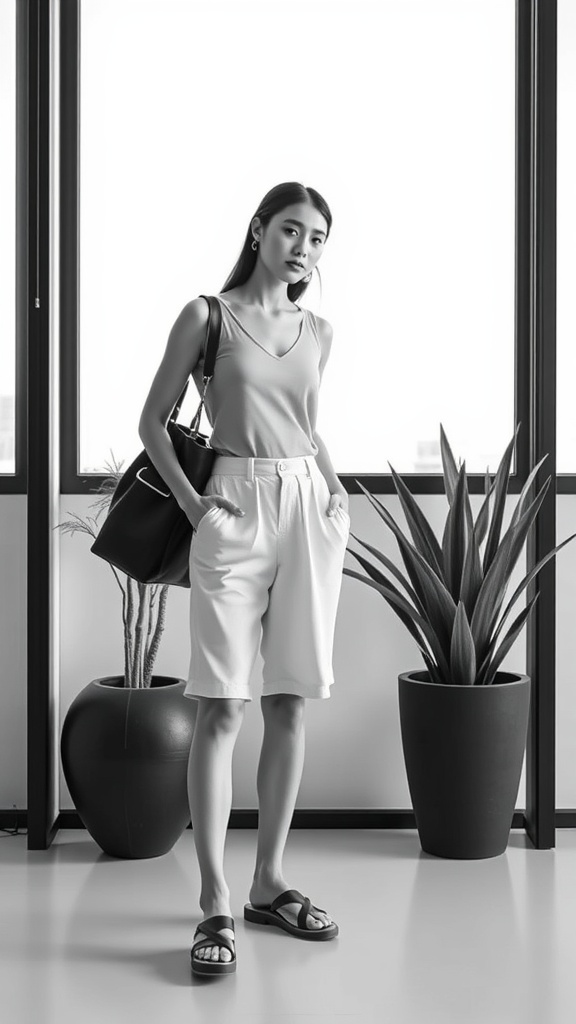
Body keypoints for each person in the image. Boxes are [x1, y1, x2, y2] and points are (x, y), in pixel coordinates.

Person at [138, 181, 349, 976]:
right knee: (222, 704)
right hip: (231, 504)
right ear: (259, 230)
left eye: (318, 238)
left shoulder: (320, 331)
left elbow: (309, 428)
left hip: (305, 505)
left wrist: (334, 496)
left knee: (290, 699)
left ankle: (269, 882)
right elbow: (152, 421)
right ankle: (215, 901)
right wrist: (198, 510)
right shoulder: (207, 316)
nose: (303, 247)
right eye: (291, 229)